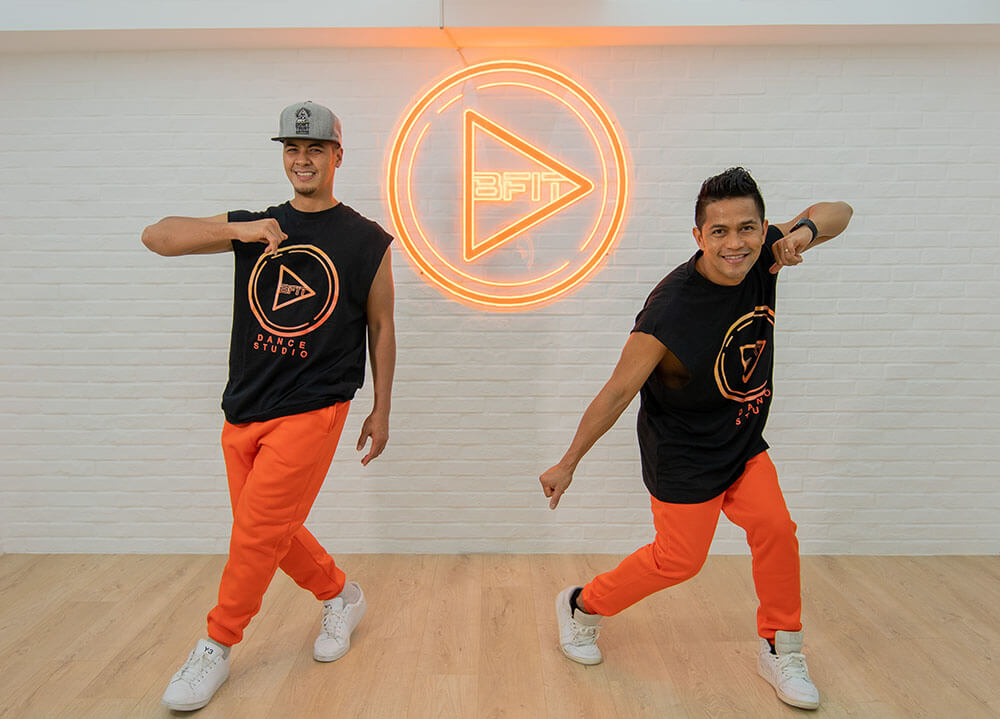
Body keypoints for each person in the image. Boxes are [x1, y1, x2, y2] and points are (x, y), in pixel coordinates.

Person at [539, 167, 852, 711]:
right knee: (678, 562)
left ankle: (781, 645)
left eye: (747, 229)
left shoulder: (766, 253)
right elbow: (616, 392)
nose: (736, 244)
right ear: (699, 237)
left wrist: (799, 234)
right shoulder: (670, 310)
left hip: (742, 440)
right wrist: (568, 461)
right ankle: (581, 606)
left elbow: (839, 211)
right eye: (720, 232)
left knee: (777, 527)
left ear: (760, 228)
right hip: (682, 453)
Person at [142, 101, 395, 712]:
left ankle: (215, 645)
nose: (301, 160)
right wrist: (240, 231)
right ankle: (341, 597)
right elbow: (158, 236)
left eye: (314, 149)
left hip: (315, 404)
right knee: (270, 534)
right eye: (291, 149)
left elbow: (382, 327)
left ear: (337, 155)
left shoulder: (366, 240)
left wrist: (382, 409)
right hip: (245, 405)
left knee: (256, 533)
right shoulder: (257, 226)